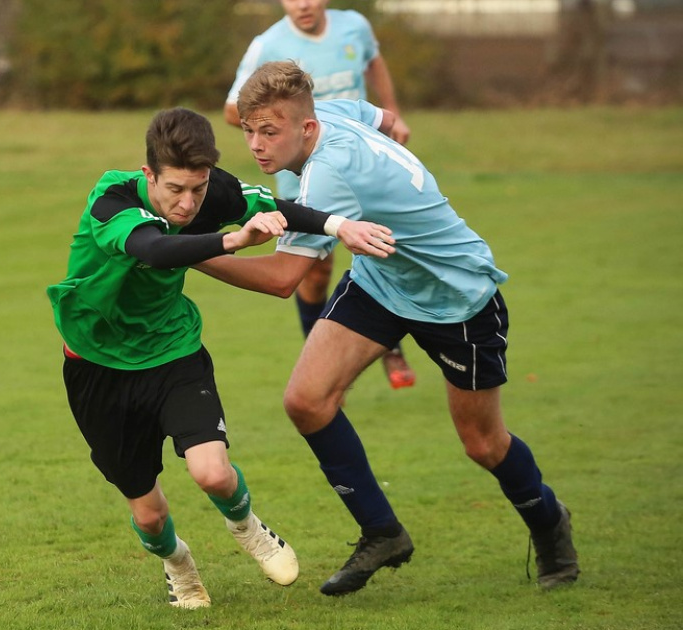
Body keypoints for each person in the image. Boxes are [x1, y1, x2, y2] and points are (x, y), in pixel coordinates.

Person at [198, 61, 579, 595]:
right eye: (249, 131)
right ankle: (382, 533)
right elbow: (387, 119)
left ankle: (549, 524)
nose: (257, 145)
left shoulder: (330, 174)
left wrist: (189, 255)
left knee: (483, 443)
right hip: (383, 280)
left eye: (270, 132)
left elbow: (284, 278)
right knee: (307, 401)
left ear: (305, 128)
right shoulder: (328, 112)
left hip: (458, 298)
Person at [47, 107, 396, 608]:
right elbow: (153, 249)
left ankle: (248, 526)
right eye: (175, 190)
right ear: (149, 175)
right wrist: (234, 239)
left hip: (173, 350)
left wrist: (340, 225)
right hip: (97, 366)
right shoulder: (114, 200)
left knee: (212, 471)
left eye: (199, 188)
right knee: (148, 516)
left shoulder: (214, 192)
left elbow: (280, 207)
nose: (188, 204)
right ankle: (179, 566)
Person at [223, 0, 416, 389]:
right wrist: (286, 119)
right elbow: (233, 109)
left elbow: (373, 63)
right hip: (303, 180)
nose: (304, 4)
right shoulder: (267, 44)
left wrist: (391, 110)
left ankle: (390, 345)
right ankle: (321, 364)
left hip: (361, 171)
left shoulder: (355, 27)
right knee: (313, 273)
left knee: (382, 253)